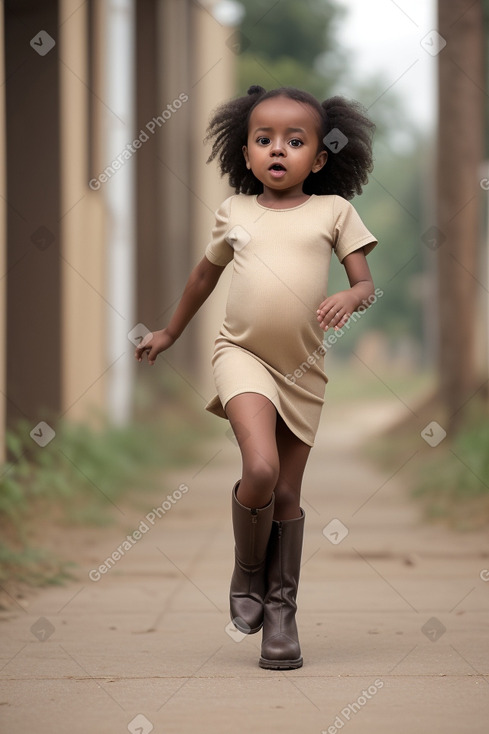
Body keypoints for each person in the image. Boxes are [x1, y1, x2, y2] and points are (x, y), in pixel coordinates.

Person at [135, 85, 377, 670]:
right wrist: (169, 332)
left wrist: (350, 295)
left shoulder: (334, 211)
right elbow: (202, 279)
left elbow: (365, 283)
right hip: (240, 352)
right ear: (244, 153)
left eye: (295, 141)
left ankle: (280, 611)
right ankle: (248, 572)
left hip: (302, 369)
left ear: (319, 158)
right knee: (261, 468)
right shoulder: (234, 212)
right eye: (263, 139)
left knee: (288, 494)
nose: (278, 150)